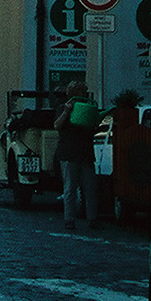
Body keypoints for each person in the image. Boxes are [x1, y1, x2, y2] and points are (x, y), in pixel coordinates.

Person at [54, 81, 100, 231]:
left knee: (89, 189)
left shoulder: (88, 107)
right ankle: (69, 219)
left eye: (83, 92)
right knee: (70, 189)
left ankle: (92, 219)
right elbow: (57, 125)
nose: (82, 94)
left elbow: (94, 126)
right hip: (69, 153)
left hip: (84, 153)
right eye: (80, 92)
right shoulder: (63, 107)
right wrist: (67, 111)